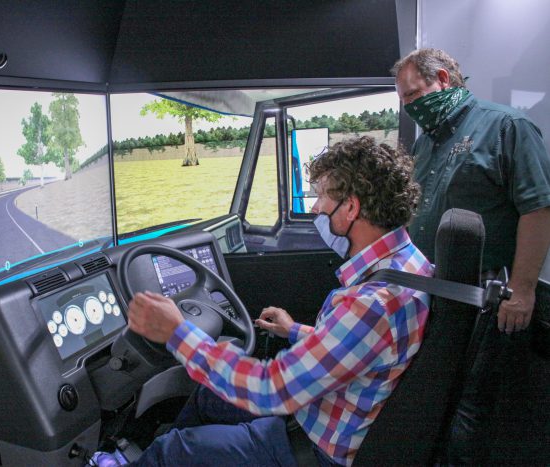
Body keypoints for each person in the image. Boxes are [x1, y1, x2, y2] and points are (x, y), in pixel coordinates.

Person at [92, 136, 433, 466]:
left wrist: (176, 332)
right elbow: (360, 346)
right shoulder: (408, 262)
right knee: (209, 396)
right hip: (327, 409)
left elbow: (271, 389)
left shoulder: (371, 303)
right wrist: (295, 331)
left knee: (175, 449)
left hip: (312, 448)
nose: (315, 208)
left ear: (351, 207)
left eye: (321, 198)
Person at [392, 48, 550, 464]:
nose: (409, 108)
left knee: (470, 406)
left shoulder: (507, 127)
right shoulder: (427, 142)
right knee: (435, 396)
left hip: (483, 296)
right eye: (403, 101)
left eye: (412, 96)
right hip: (434, 292)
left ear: (442, 78)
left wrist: (522, 291)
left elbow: (538, 210)